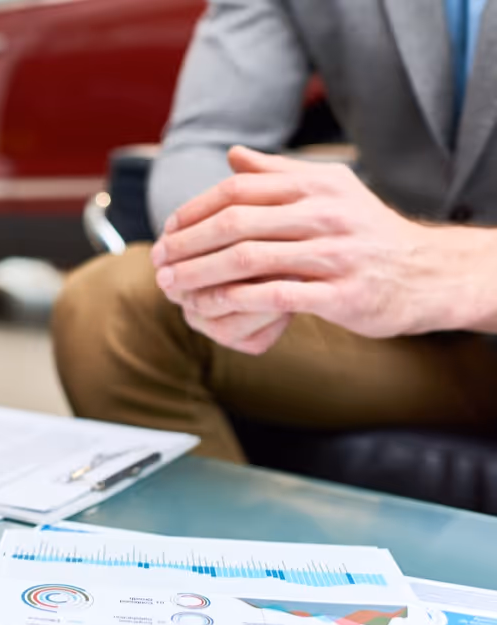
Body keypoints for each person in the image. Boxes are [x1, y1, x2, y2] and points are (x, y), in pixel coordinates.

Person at [53, 0, 497, 462]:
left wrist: (441, 269)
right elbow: (209, 140)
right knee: (113, 304)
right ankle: (229, 535)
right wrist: (241, 266)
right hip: (404, 337)